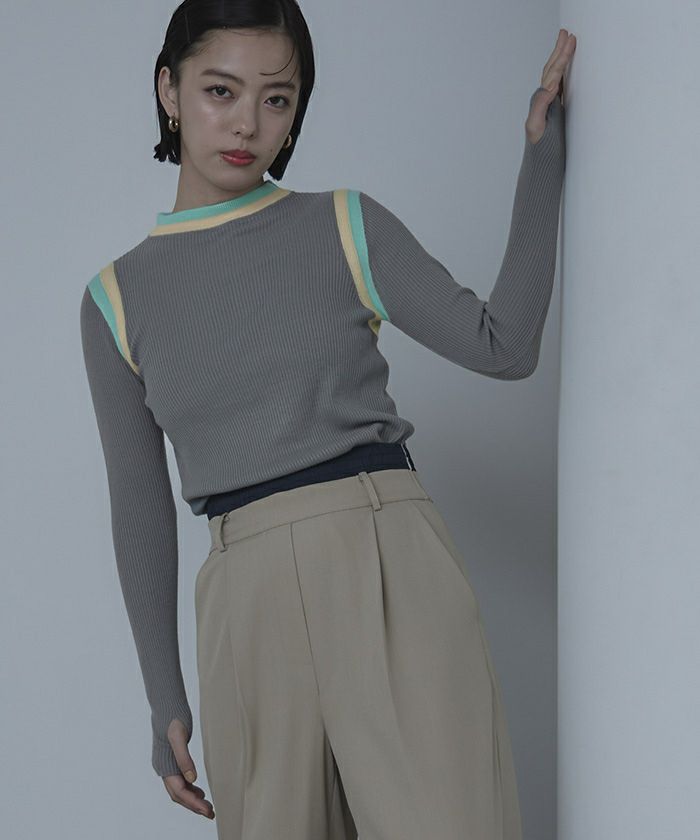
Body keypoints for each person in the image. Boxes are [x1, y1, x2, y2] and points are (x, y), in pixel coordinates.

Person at [79, 0, 575, 836]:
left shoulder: (344, 225)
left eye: (276, 98)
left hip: (387, 563)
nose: (248, 123)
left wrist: (543, 150)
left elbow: (504, 346)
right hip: (245, 599)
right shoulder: (114, 300)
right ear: (169, 89)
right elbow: (139, 504)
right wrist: (165, 699)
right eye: (220, 90)